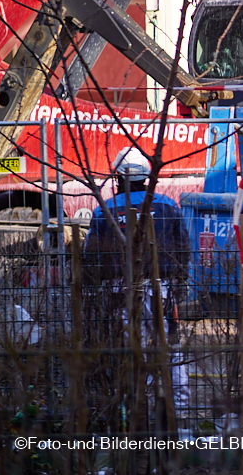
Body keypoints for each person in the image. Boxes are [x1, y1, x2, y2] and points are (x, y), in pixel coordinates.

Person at [83, 147, 191, 425]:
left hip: (121, 292)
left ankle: (137, 423)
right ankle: (178, 423)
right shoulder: (168, 206)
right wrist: (177, 282)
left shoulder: (104, 211)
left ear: (118, 177)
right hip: (163, 290)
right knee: (170, 351)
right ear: (146, 177)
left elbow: (91, 259)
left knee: (133, 353)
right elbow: (183, 248)